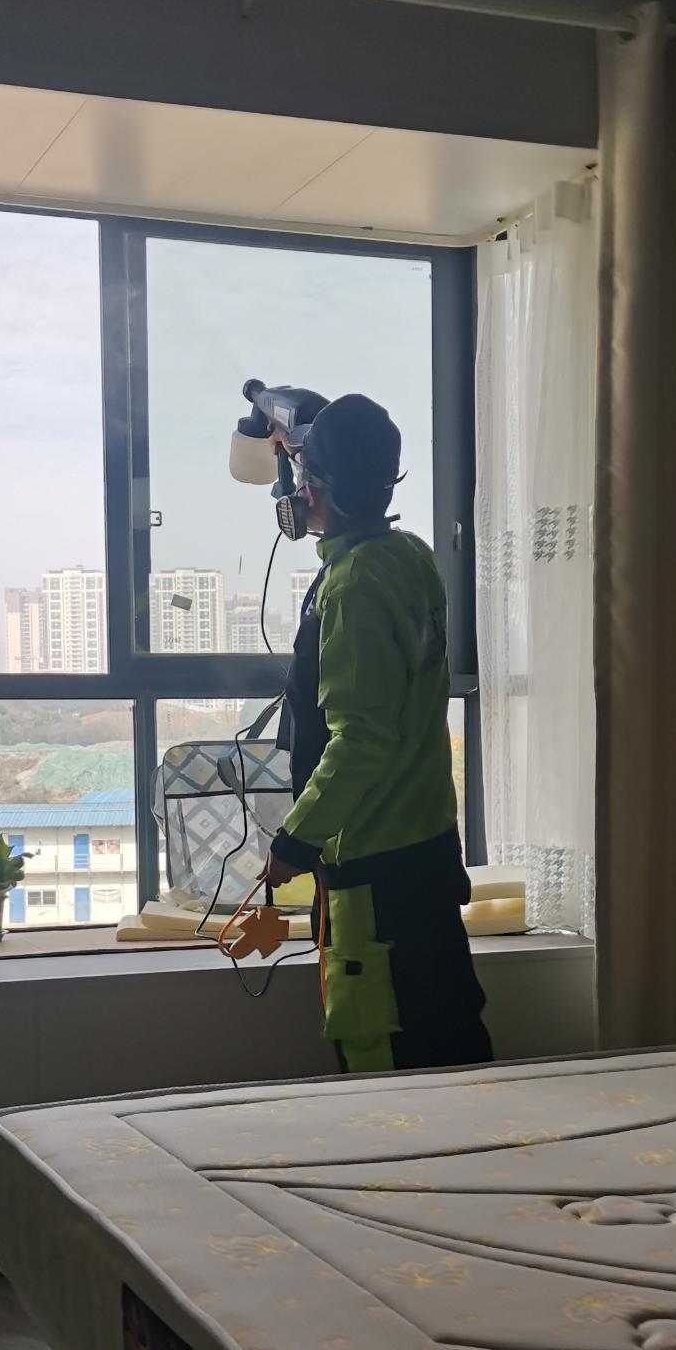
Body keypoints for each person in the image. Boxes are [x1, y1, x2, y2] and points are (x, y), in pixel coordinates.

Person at [263, 393, 492, 1076]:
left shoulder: (352, 585)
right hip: (425, 850)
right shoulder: (409, 557)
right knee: (448, 1037)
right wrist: (303, 445)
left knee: (384, 1055)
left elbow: (360, 738)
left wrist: (294, 841)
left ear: (311, 489)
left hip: (372, 868)